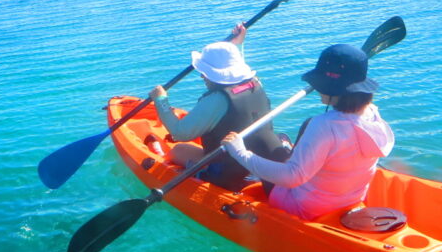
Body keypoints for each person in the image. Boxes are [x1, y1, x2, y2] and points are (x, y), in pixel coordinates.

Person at [222, 43, 394, 220]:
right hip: (349, 201)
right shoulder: (372, 113)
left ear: (334, 89)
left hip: (305, 209)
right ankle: (286, 149)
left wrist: (240, 153)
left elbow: (292, 177)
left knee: (261, 142)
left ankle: (225, 182)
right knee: (286, 141)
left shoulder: (323, 126)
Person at [149, 23, 287, 191]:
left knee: (178, 150)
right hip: (258, 156)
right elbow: (236, 73)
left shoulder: (216, 100)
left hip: (228, 169)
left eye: (204, 72)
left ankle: (162, 159)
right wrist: (236, 45)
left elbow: (179, 132)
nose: (201, 76)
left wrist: (160, 99)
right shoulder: (255, 82)